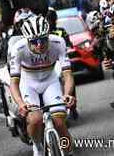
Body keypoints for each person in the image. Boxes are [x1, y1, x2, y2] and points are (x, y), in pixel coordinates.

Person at [9, 15, 75, 156]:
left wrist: (67, 94)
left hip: (50, 82)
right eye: (34, 42)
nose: (39, 45)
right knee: (35, 119)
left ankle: (69, 152)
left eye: (43, 40)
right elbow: (14, 83)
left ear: (48, 36)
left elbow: (68, 75)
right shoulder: (18, 48)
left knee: (59, 121)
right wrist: (20, 103)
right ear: (27, 39)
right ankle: (38, 146)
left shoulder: (58, 42)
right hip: (28, 84)